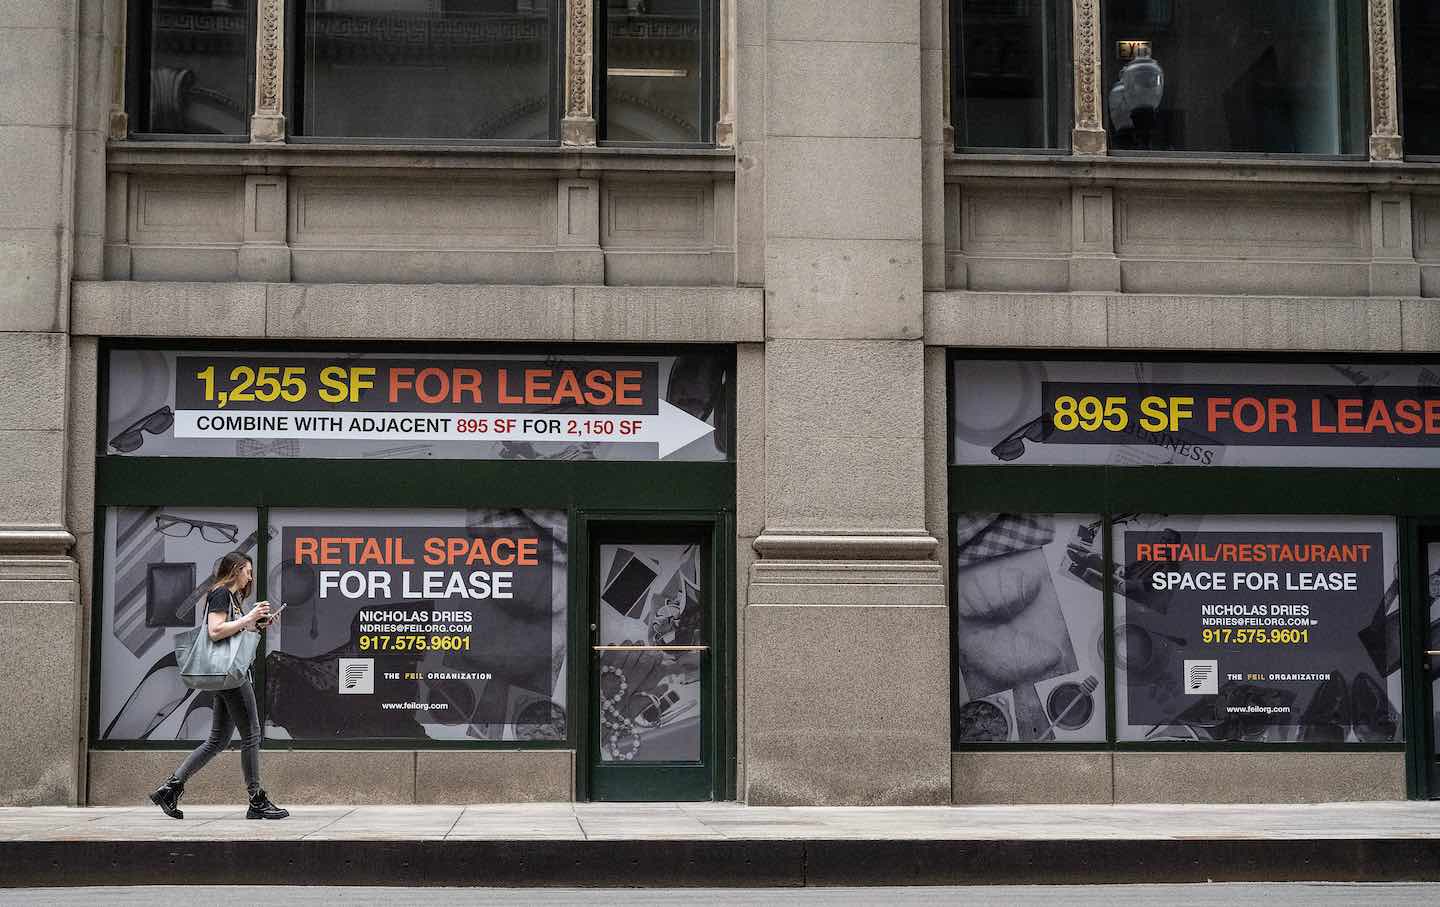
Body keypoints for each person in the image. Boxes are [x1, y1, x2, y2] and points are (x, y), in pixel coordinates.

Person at [149, 552, 289, 820]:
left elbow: (232, 632)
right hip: (231, 676)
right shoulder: (221, 594)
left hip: (226, 674)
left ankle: (171, 788)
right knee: (251, 734)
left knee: (218, 739)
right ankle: (256, 799)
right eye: (247, 570)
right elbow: (215, 631)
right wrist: (248, 620)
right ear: (236, 570)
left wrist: (257, 625)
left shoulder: (232, 598)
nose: (250, 576)